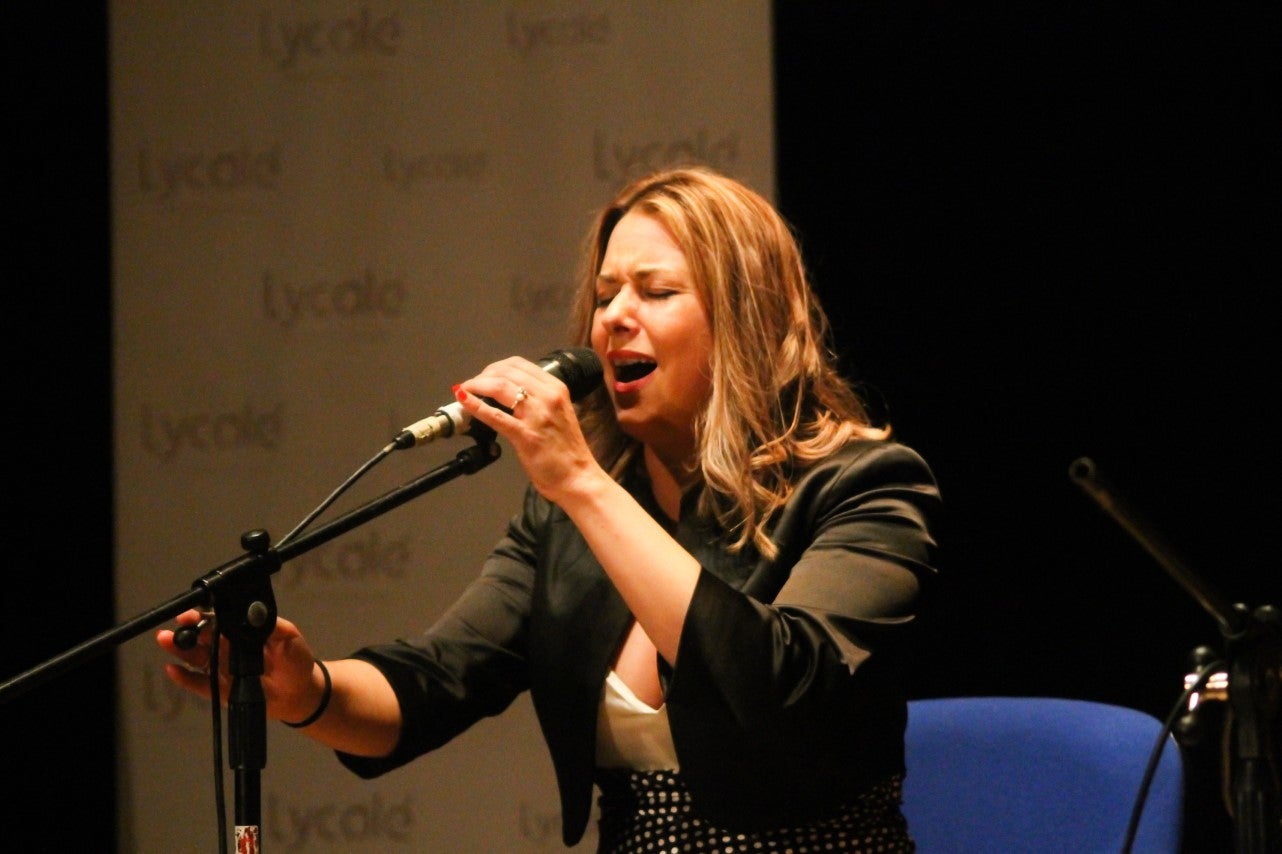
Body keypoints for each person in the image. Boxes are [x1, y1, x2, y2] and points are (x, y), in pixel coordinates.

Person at [158, 165, 942, 852]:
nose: (613, 318)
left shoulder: (866, 486)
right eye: (604, 296)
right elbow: (438, 681)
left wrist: (581, 483)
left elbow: (779, 690)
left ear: (750, 320)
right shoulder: (569, 521)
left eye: (658, 291)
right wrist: (307, 691)